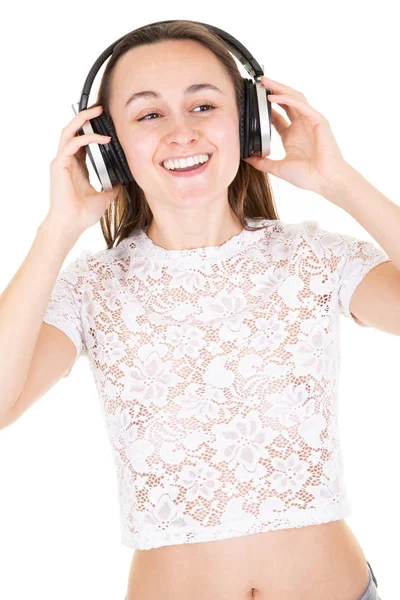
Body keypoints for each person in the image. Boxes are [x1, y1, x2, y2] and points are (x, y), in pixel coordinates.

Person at [1, 20, 392, 600]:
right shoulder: (91, 288)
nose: (181, 133)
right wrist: (58, 228)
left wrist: (338, 180)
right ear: (108, 144)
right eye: (149, 114)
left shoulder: (315, 257)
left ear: (248, 122)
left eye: (203, 105)